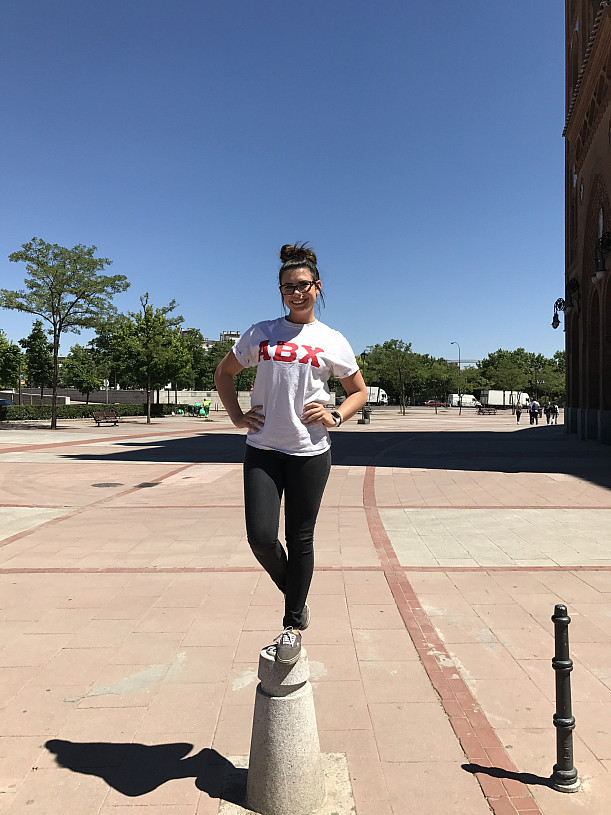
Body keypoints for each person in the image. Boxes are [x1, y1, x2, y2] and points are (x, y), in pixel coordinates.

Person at [214, 243, 367, 665]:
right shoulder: (261, 332)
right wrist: (236, 416)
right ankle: (295, 592)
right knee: (261, 537)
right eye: (288, 287)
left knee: (301, 539)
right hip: (263, 448)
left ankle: (293, 621)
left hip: (309, 452)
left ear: (318, 287)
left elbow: (358, 391)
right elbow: (224, 373)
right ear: (280, 291)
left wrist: (336, 414)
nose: (296, 293)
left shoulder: (332, 340)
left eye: (303, 285)